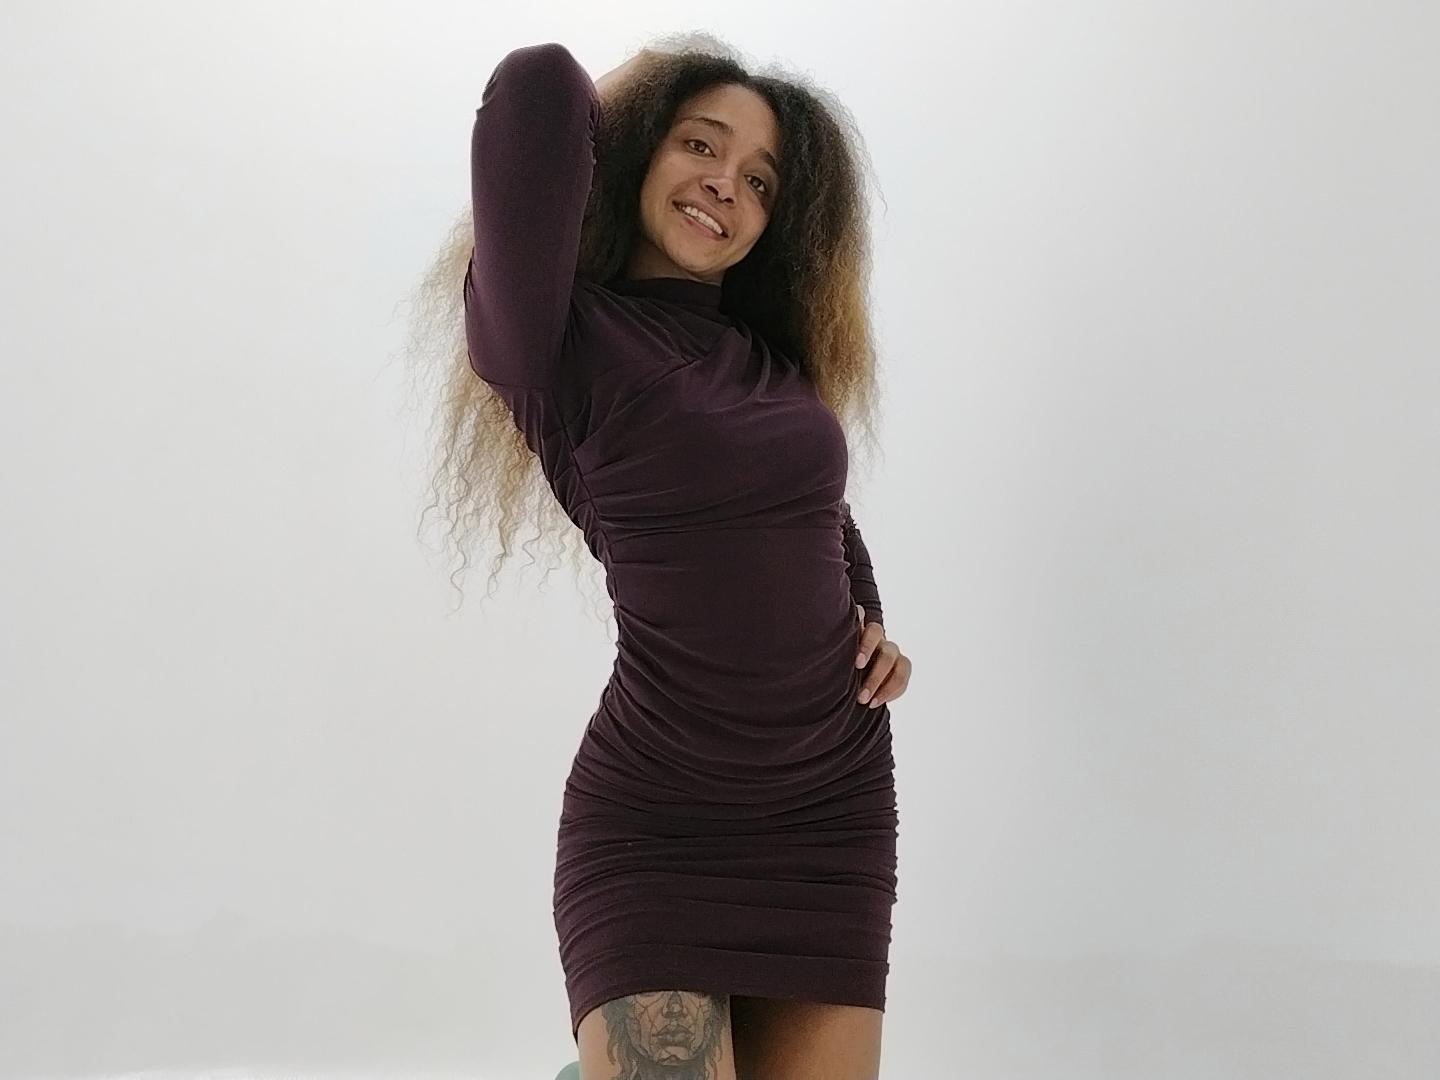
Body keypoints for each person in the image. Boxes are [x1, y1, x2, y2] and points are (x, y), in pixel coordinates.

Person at [462, 38, 913, 1079]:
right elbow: (534, 92)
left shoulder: (767, 361)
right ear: (634, 149)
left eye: (760, 182)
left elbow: (814, 508)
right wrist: (633, 89)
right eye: (699, 145)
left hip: (832, 810)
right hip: (661, 817)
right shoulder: (553, 340)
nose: (726, 185)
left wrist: (869, 618)